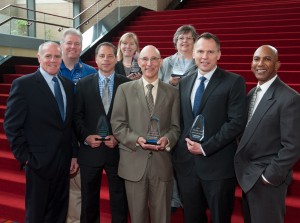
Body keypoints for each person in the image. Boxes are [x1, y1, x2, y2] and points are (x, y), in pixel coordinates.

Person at [172, 32, 247, 223]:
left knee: (220, 217)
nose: (204, 56)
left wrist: (205, 147)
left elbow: (236, 122)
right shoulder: (185, 82)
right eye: (200, 51)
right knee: (192, 217)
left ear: (219, 54)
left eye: (210, 52)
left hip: (218, 166)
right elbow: (181, 120)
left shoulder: (233, 81)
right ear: (194, 53)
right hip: (187, 166)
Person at [4, 41, 77, 223]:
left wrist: (73, 155)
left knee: (59, 214)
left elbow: (68, 125)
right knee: (36, 215)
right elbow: (12, 126)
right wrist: (26, 158)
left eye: (57, 56)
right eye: (48, 56)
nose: (53, 60)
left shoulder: (67, 85)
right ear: (39, 57)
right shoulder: (23, 85)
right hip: (38, 164)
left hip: (63, 163)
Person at [111, 45, 181, 223]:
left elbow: (176, 127)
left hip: (161, 163)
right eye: (145, 59)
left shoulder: (172, 92)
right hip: (134, 162)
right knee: (137, 217)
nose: (149, 63)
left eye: (154, 59)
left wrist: (168, 139)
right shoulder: (124, 90)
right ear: (138, 62)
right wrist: (137, 139)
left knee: (162, 217)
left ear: (160, 62)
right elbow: (117, 124)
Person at [234, 45, 300, 223]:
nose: (260, 63)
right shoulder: (251, 94)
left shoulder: (290, 98)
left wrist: (268, 176)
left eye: (267, 59)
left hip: (267, 182)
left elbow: (293, 146)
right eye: (256, 59)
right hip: (248, 179)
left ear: (278, 65)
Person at [73, 42, 129, 223]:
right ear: (96, 59)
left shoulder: (127, 84)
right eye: (102, 56)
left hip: (117, 151)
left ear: (116, 58)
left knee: (119, 198)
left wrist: (119, 139)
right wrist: (86, 137)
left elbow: (131, 117)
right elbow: (77, 116)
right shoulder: (83, 84)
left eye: (110, 56)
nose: (106, 59)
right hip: (91, 151)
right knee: (88, 199)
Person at [158, 24, 198, 213]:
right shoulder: (166, 62)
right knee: (168, 157)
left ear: (194, 41)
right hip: (169, 115)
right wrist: (170, 83)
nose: (184, 41)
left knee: (187, 159)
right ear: (175, 41)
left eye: (188, 38)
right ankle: (173, 198)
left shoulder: (200, 62)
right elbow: (156, 86)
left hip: (191, 116)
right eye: (181, 38)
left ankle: (189, 196)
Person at [59, 27, 97, 223]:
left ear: (82, 47)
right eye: (69, 43)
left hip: (81, 137)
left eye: (77, 43)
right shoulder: (52, 69)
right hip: (57, 138)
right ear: (61, 45)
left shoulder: (91, 72)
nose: (73, 47)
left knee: (77, 189)